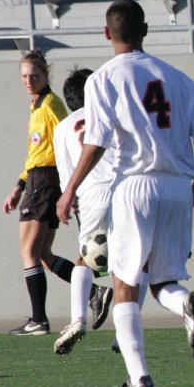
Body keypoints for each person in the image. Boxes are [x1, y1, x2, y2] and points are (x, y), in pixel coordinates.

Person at [56, 0, 194, 387]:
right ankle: (186, 309)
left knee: (124, 286)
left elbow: (95, 143)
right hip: (178, 186)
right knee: (165, 279)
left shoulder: (103, 79)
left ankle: (140, 379)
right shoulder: (180, 79)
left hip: (133, 186)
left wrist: (70, 189)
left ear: (106, 33)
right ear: (146, 30)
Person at [3, 50, 111, 336]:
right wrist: (19, 184)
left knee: (29, 251)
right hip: (39, 179)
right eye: (24, 76)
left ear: (45, 75)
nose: (28, 81)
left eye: (34, 76)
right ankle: (93, 294)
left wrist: (67, 191)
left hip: (48, 180)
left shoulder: (52, 105)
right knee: (43, 255)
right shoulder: (36, 106)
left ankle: (39, 319)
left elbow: (71, 135)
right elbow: (35, 153)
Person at [52, 67, 142, 356]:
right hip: (125, 191)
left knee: (85, 259)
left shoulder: (63, 127)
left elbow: (68, 179)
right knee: (135, 264)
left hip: (90, 195)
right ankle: (123, 333)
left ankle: (78, 319)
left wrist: (71, 198)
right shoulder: (113, 115)